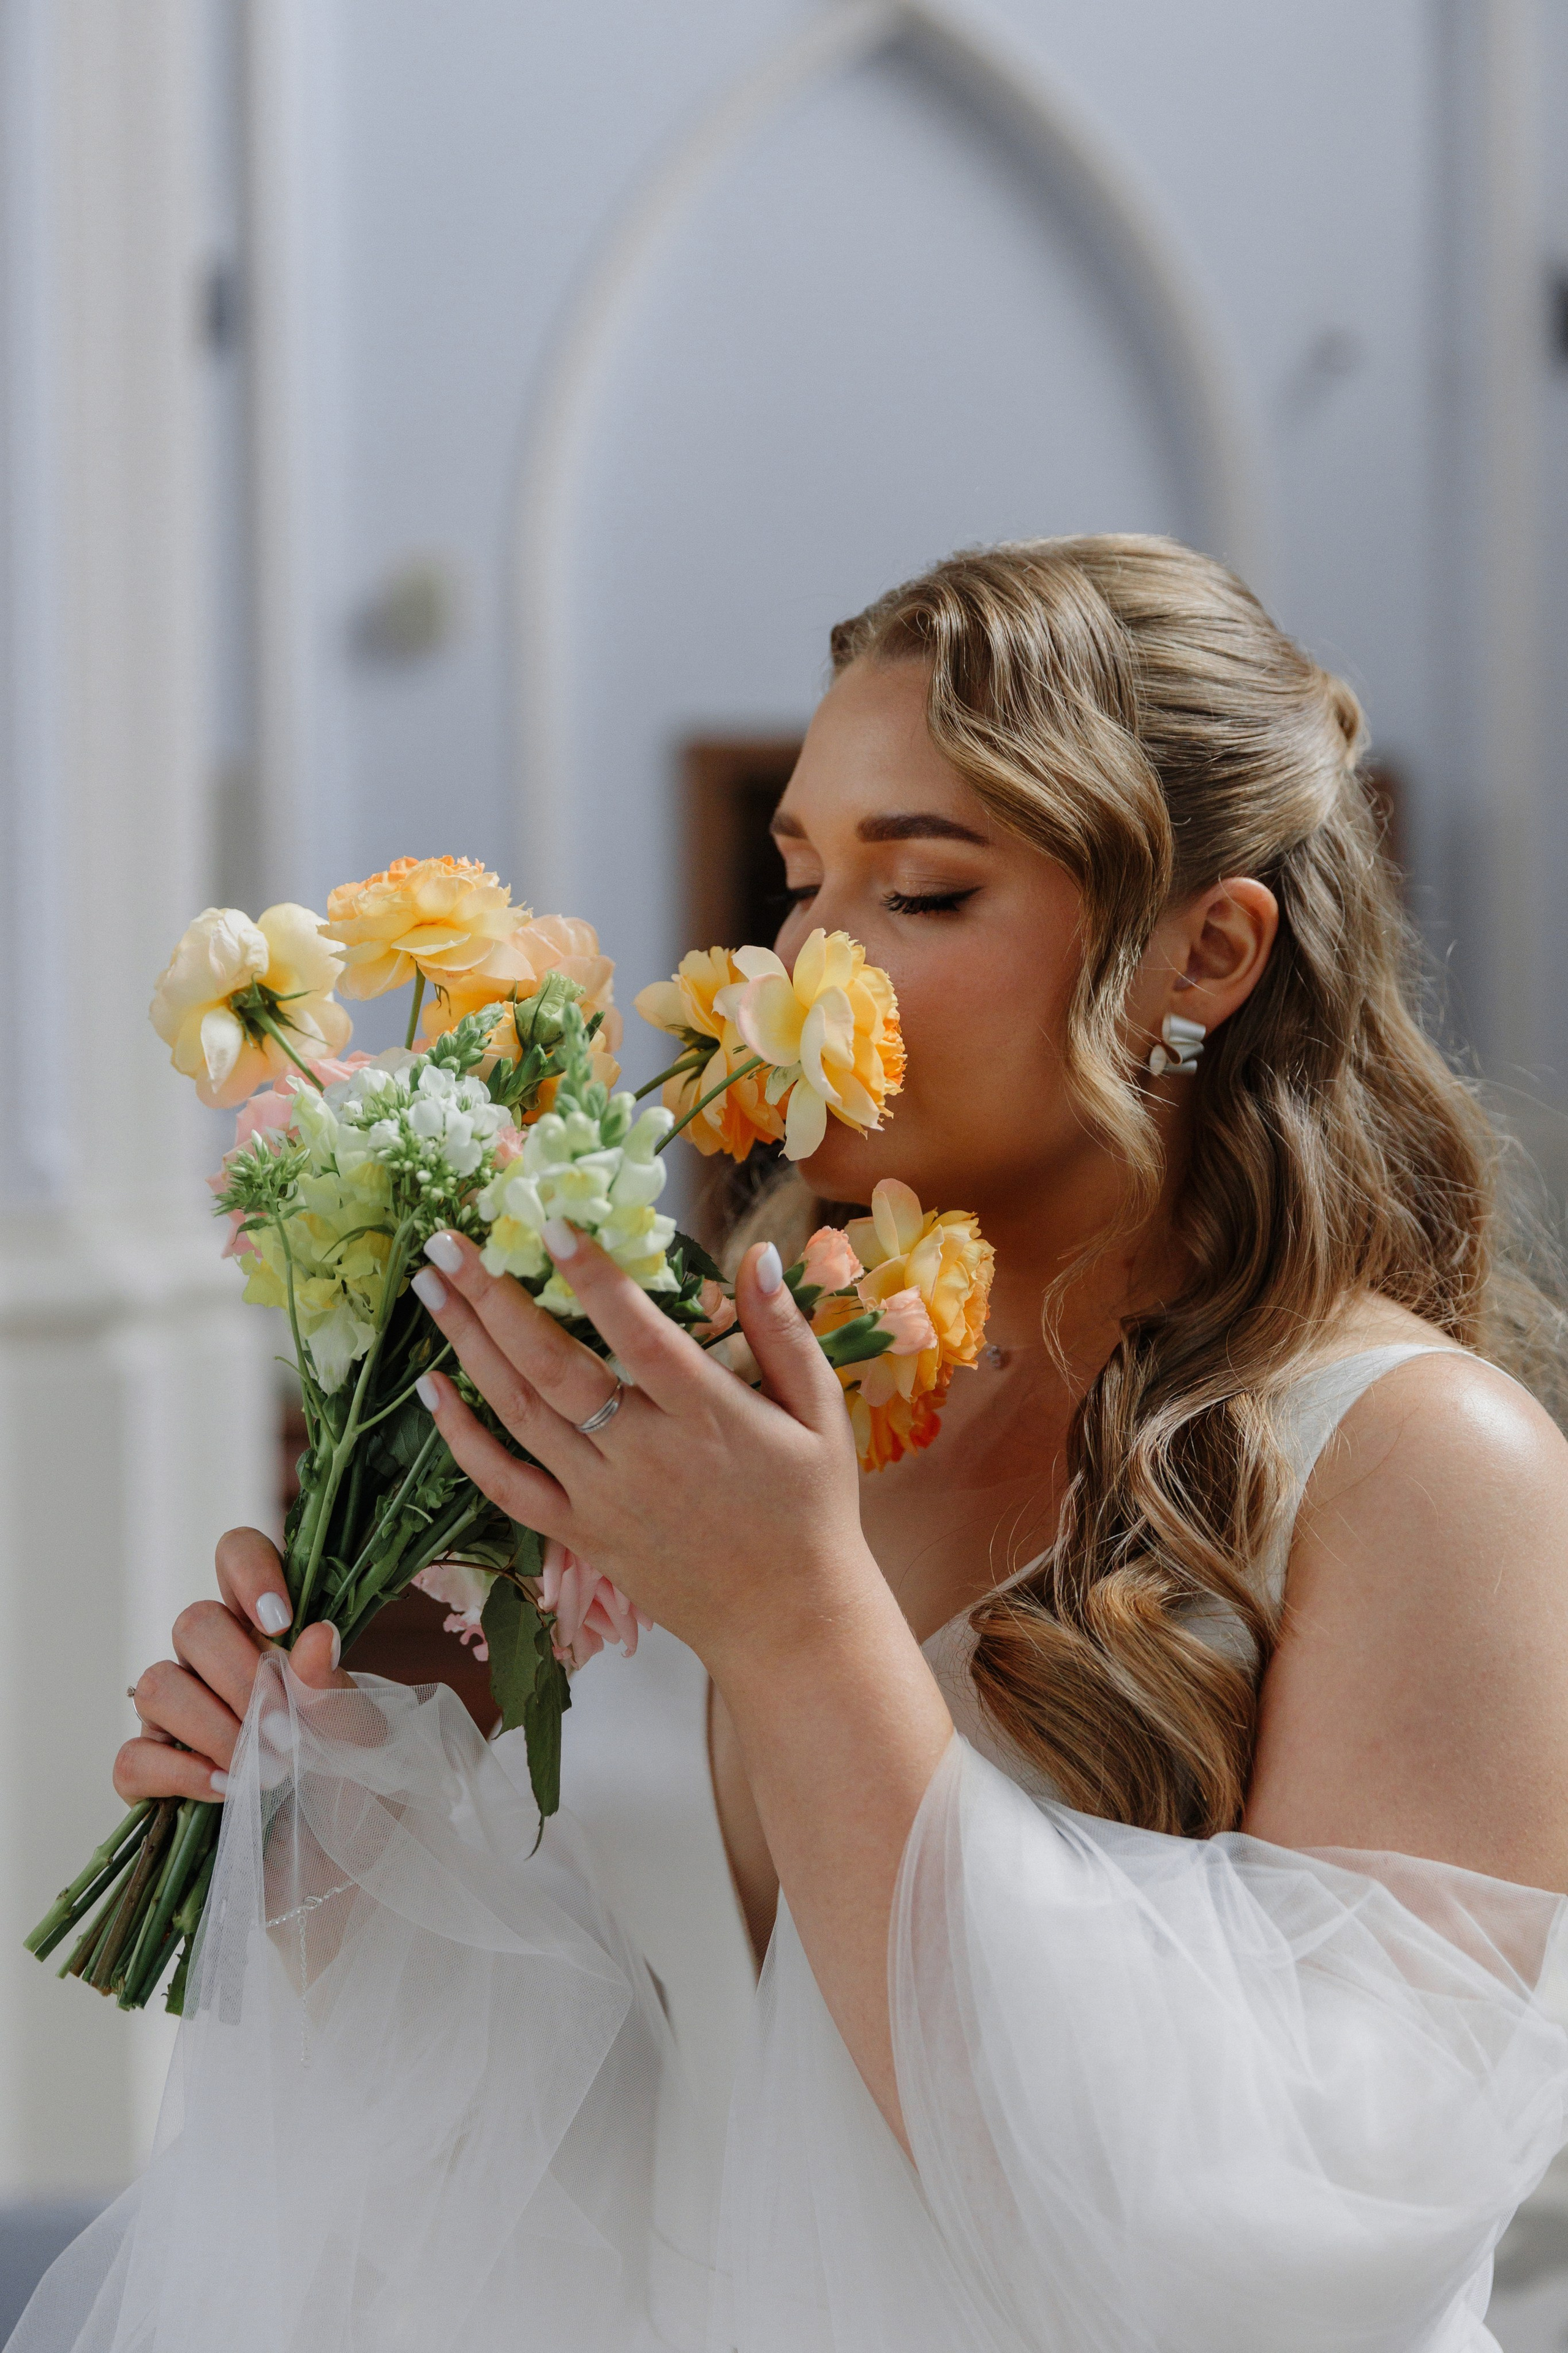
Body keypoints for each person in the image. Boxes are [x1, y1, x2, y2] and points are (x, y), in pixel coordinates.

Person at [24, 537, 1568, 2352]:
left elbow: (1272, 2242)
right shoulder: (729, 1376)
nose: (808, 962)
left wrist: (795, 1626)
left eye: (919, 890)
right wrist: (328, 1835)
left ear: (1206, 952)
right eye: (803, 874)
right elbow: (647, 2124)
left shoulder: (1424, 1466)